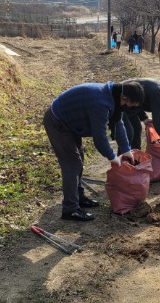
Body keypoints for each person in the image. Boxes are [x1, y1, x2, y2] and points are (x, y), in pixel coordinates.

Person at [44, 81, 144, 221]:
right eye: (130, 106)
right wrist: (112, 157)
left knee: (79, 160)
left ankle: (78, 198)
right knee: (72, 165)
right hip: (58, 122)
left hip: (71, 122)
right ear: (124, 98)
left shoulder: (114, 95)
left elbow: (118, 124)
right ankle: (70, 210)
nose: (128, 109)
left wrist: (126, 150)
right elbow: (100, 137)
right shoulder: (101, 103)